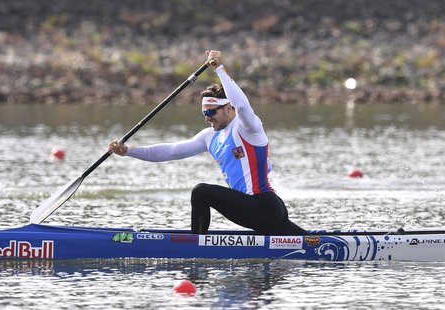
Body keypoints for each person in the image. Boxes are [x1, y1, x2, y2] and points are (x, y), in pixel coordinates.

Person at [108, 50, 306, 235]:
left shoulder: (247, 128)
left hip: (263, 205)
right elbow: (171, 152)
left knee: (201, 192)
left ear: (228, 108)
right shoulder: (209, 136)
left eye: (211, 112)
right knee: (311, 244)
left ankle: (196, 244)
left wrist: (219, 69)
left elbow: (243, 105)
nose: (207, 118)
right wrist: (128, 151)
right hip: (254, 211)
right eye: (204, 113)